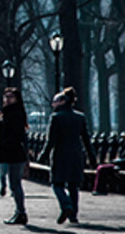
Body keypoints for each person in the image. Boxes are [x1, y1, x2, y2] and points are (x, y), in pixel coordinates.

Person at [38, 87, 97, 224]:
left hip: (60, 154)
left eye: (55, 101)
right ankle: (73, 215)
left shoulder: (56, 118)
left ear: (62, 101)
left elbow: (51, 140)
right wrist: (91, 157)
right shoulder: (79, 117)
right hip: (76, 154)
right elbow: (86, 140)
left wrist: (43, 155)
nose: (53, 104)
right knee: (73, 186)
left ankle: (66, 205)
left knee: (57, 184)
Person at [0, 87, 29, 225]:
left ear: (16, 99)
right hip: (9, 151)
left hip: (15, 152)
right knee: (13, 183)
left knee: (15, 183)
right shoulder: (5, 113)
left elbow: (15, 134)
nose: (7, 99)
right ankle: (19, 211)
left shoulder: (15, 113)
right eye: (5, 97)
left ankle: (21, 212)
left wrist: (4, 142)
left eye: (10, 97)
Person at [93, 130, 125, 195]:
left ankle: (100, 189)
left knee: (102, 169)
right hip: (122, 165)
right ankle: (98, 188)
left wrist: (115, 161)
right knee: (101, 167)